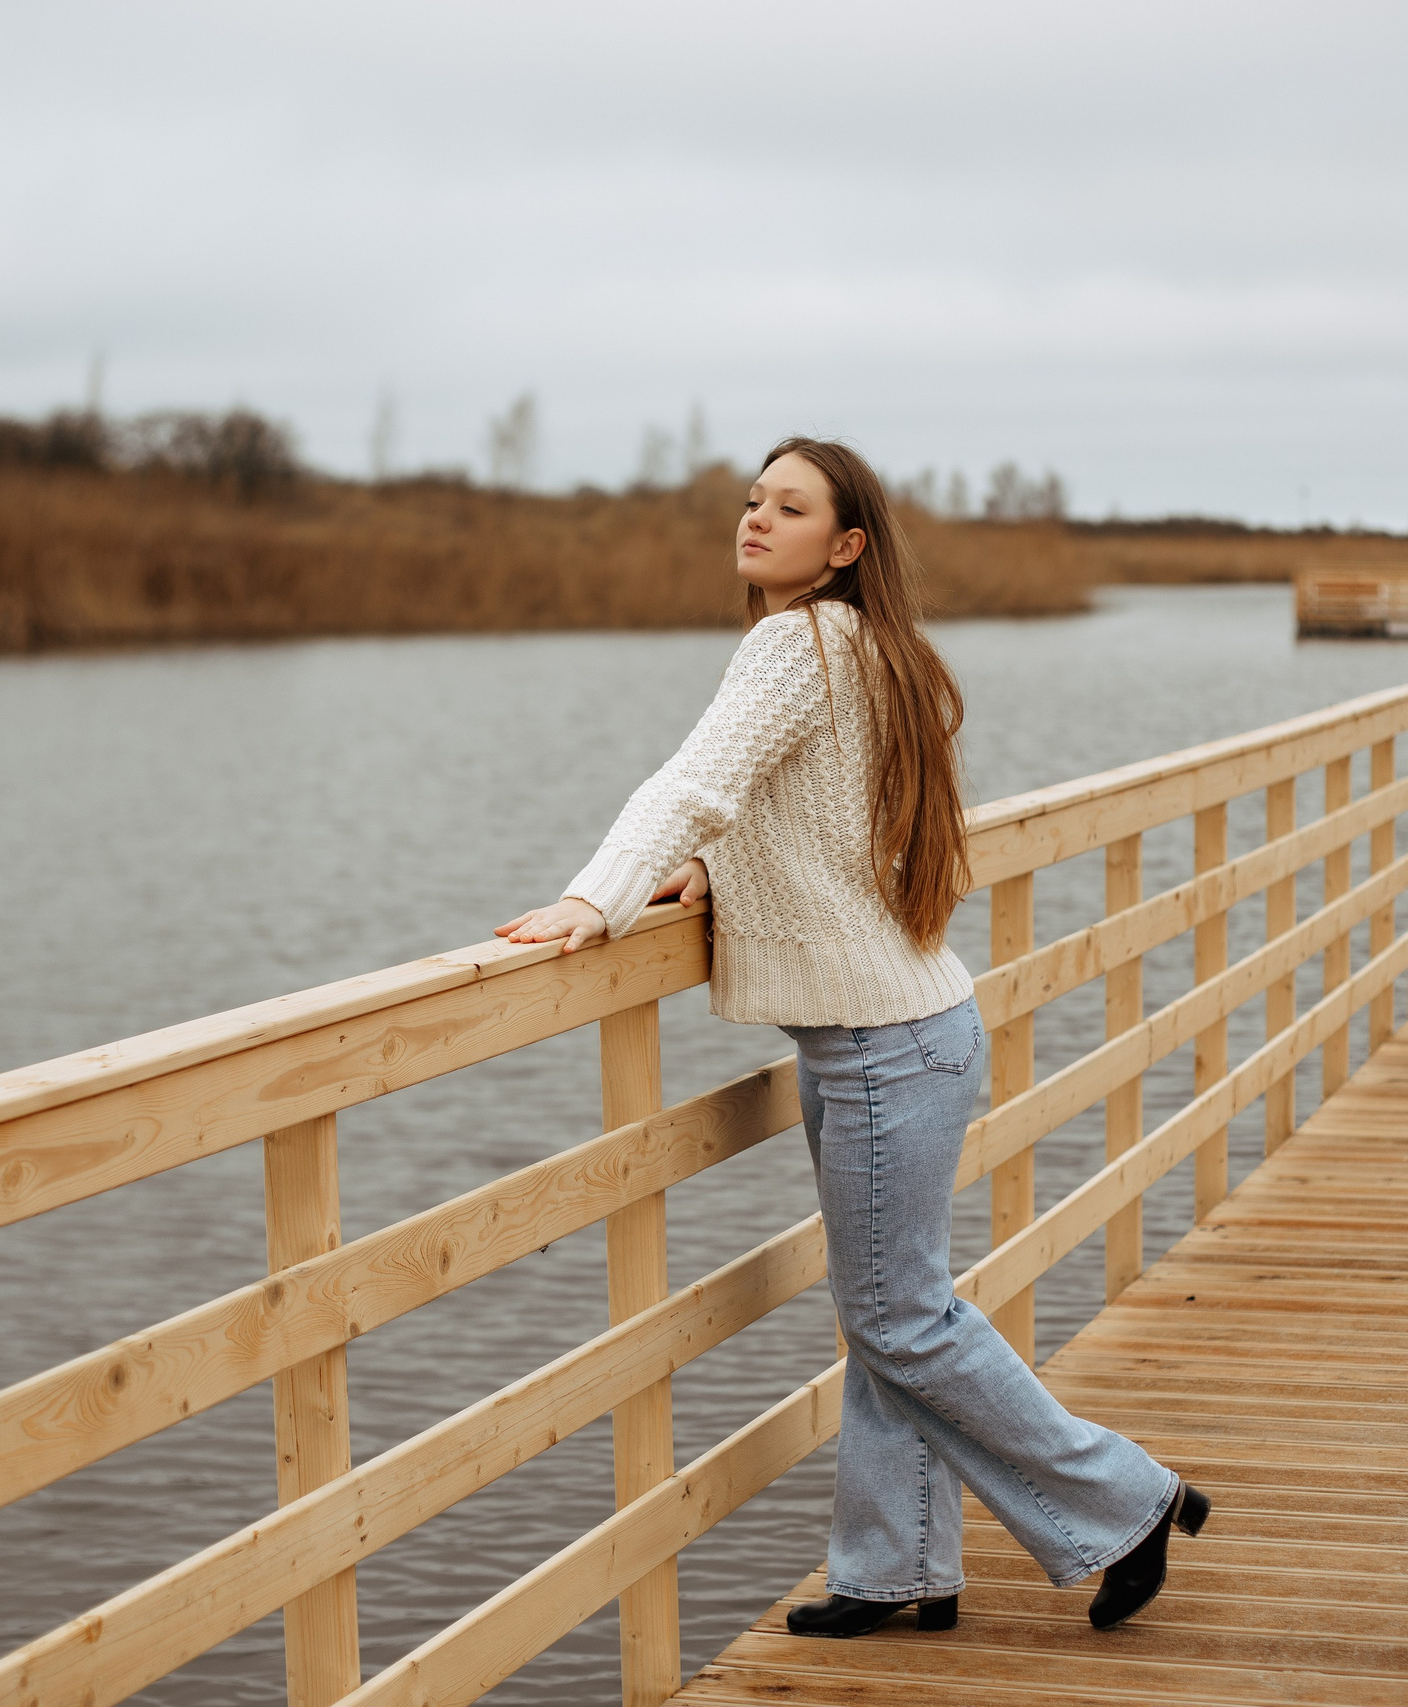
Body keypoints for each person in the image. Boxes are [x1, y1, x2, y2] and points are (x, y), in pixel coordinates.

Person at [500, 437, 1209, 1634]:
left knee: (897, 1315)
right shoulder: (864, 647)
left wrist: (598, 896)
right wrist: (701, 875)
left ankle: (1132, 1501)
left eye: (790, 507)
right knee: (893, 1310)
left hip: (885, 1044)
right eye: (751, 499)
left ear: (845, 547)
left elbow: (698, 779)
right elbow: (802, 821)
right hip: (888, 1036)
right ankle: (896, 1573)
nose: (755, 519)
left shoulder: (797, 641)